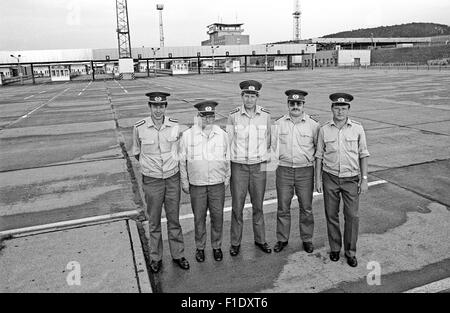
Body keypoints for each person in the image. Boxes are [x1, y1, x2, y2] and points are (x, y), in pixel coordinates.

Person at [132, 91, 189, 273]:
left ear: (165, 107)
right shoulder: (139, 127)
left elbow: (180, 151)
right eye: (155, 106)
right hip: (152, 181)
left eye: (161, 106)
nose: (158, 110)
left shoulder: (174, 126)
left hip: (172, 179)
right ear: (149, 107)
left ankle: (178, 254)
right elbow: (136, 152)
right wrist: (151, 167)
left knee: (174, 219)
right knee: (154, 221)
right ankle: (155, 257)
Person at [315, 93, 370, 267]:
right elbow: (318, 156)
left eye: (343, 108)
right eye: (337, 108)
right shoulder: (324, 129)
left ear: (348, 110)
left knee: (352, 216)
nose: (340, 111)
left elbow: (363, 154)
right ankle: (335, 249)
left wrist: (365, 179)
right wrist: (318, 180)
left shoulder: (357, 128)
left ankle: (350, 252)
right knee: (331, 215)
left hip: (351, 178)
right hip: (330, 177)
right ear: (331, 109)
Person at [179, 100, 230, 262]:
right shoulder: (187, 136)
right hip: (197, 185)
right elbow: (182, 161)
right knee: (199, 218)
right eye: (204, 116)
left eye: (211, 116)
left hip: (217, 184)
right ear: (198, 116)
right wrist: (185, 182)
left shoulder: (222, 135)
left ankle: (217, 246)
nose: (208, 119)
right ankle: (200, 248)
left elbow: (228, 158)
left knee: (217, 217)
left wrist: (226, 178)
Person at [226, 80, 272, 256]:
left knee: (258, 206)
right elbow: (228, 142)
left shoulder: (265, 116)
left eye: (253, 96)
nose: (249, 99)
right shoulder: (234, 116)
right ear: (242, 96)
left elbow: (268, 140)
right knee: (237, 206)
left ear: (257, 97)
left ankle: (260, 239)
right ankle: (235, 242)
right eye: (246, 95)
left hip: (258, 167)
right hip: (239, 167)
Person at [271, 90, 319, 253]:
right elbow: (272, 147)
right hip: (284, 170)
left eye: (299, 103)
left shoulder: (313, 125)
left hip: (305, 171)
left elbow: (318, 150)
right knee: (282, 207)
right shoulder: (278, 124)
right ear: (288, 105)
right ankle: (282, 239)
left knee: (306, 207)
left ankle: (307, 239)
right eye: (292, 103)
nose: (295, 106)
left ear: (303, 105)